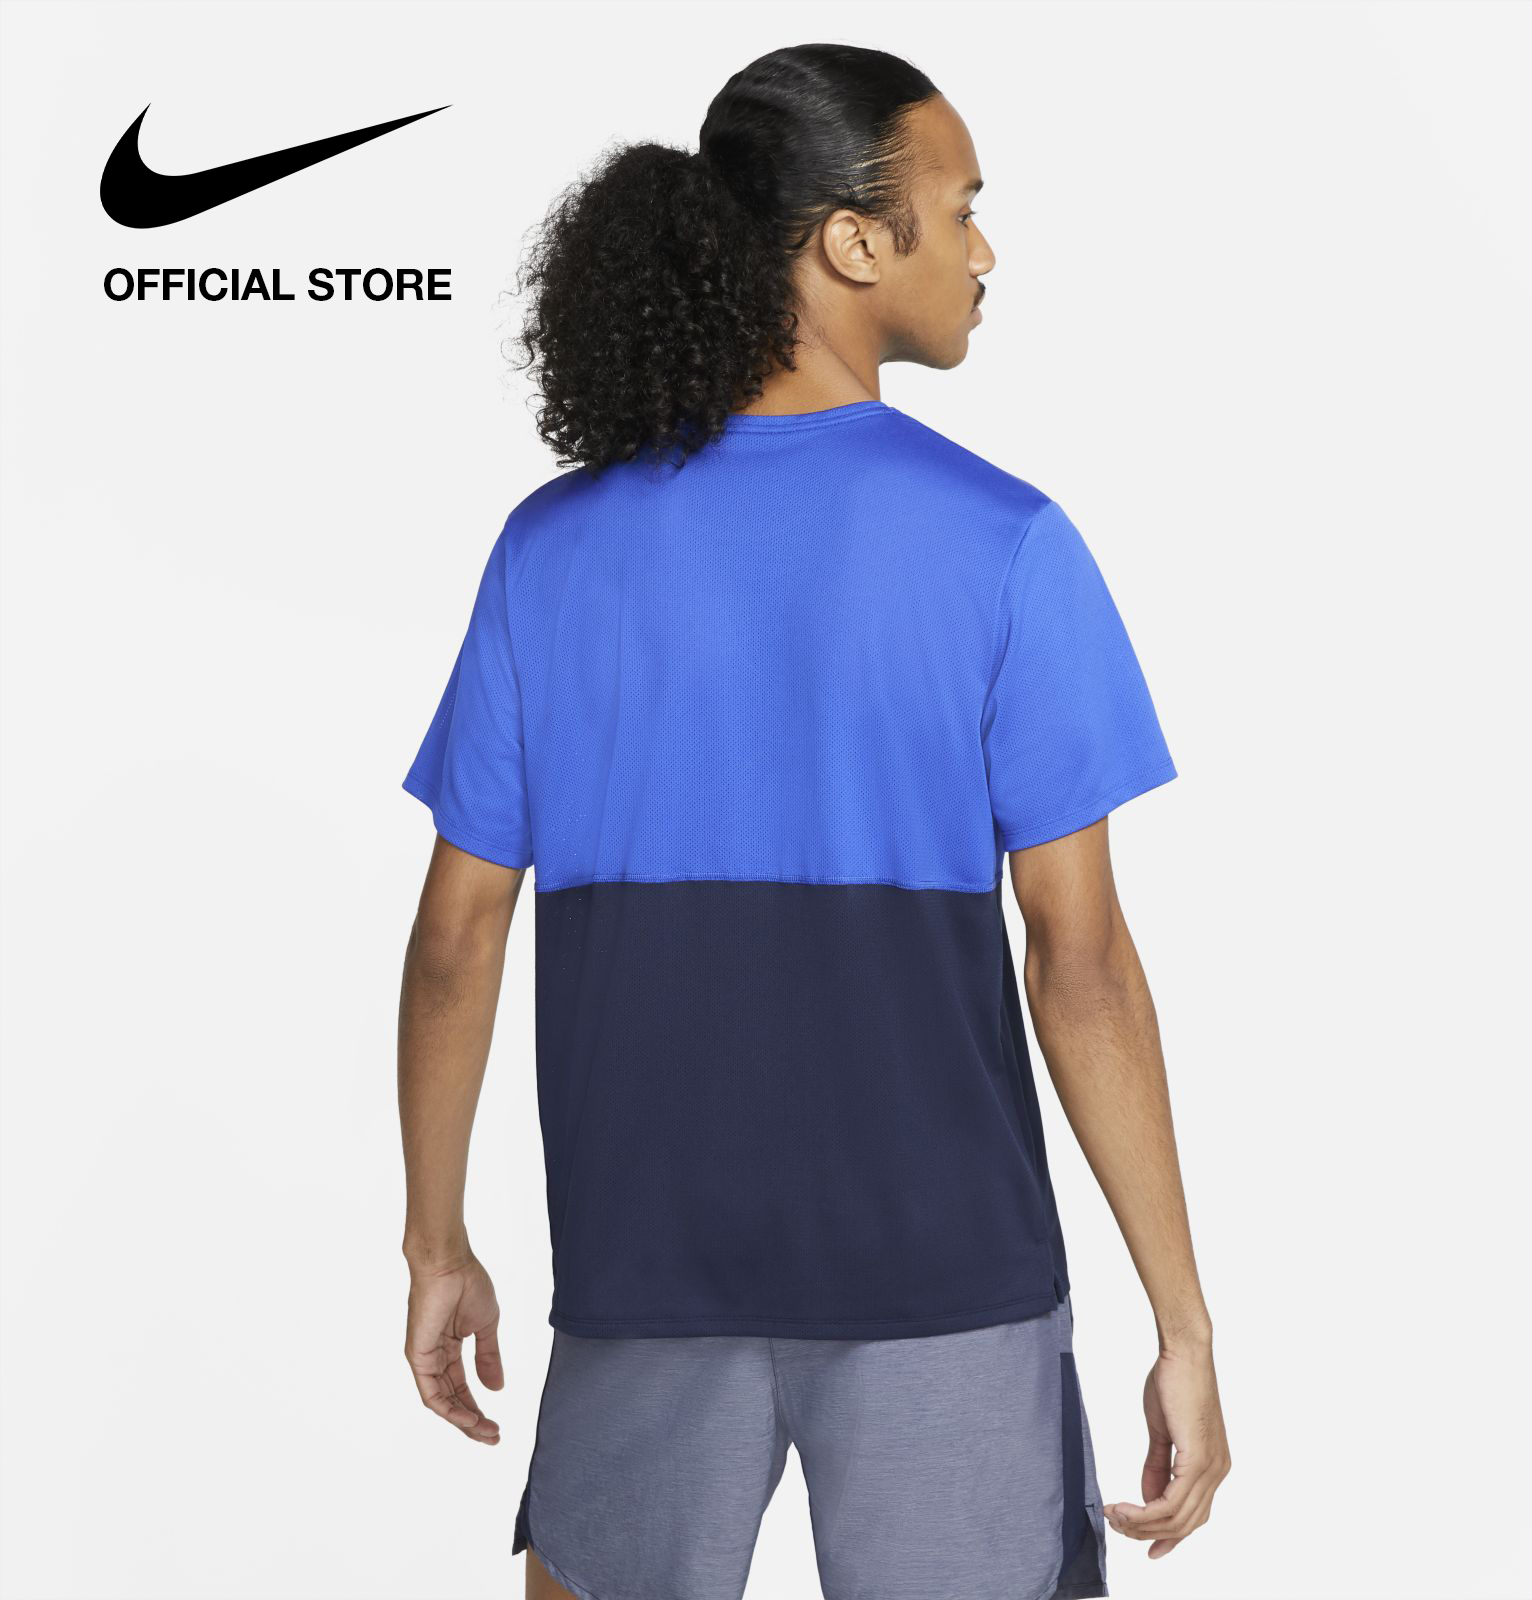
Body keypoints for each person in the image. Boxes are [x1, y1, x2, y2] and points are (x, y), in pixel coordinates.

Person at [396, 42, 1229, 1600]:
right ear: (854, 240)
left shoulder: (550, 549)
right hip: (946, 1276)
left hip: (644, 1270)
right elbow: (1082, 962)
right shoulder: (1007, 543)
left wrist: (435, 1243)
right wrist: (1181, 1322)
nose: (984, 249)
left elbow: (456, 938)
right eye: (960, 207)